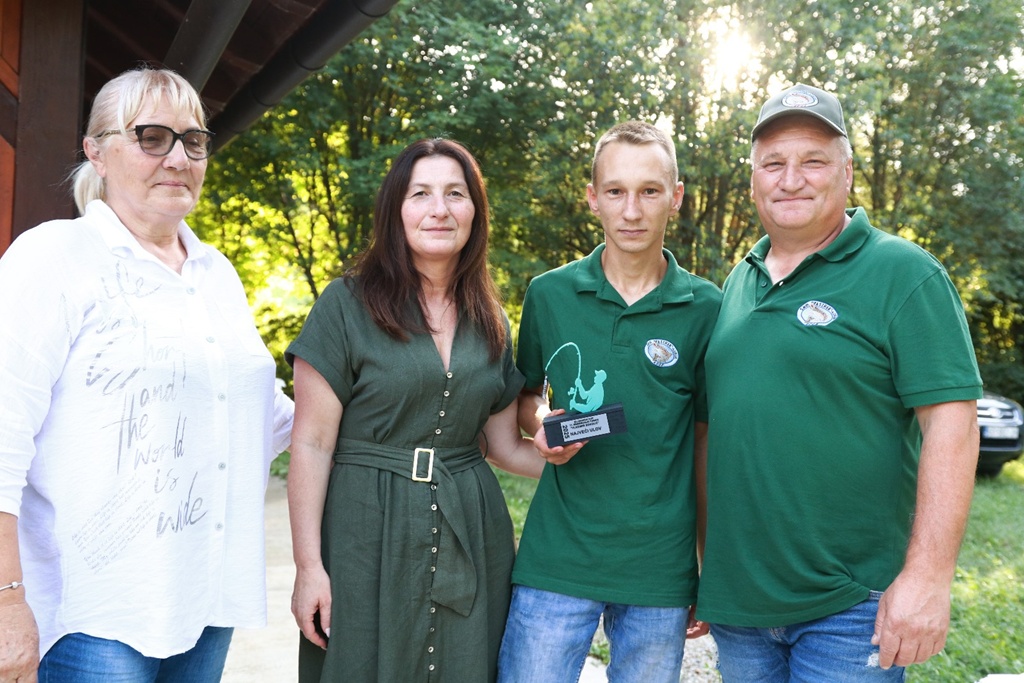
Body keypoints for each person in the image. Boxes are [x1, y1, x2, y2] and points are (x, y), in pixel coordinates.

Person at [0, 66, 294, 682]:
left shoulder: (216, 274)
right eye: (151, 137)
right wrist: (5, 601)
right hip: (92, 615)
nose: (178, 158)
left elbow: (260, 416)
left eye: (193, 140)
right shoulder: (56, 256)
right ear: (96, 152)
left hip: (204, 603)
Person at [696, 83, 983, 681]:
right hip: (741, 604)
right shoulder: (738, 283)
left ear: (847, 172)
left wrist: (928, 578)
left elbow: (952, 427)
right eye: (773, 163)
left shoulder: (903, 273)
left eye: (813, 161)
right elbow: (712, 432)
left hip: (852, 605)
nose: (791, 179)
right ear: (753, 180)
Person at [286, 137, 544, 682]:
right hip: (363, 530)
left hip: (471, 529)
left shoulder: (492, 319)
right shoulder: (345, 304)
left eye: (455, 193)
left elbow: (504, 447)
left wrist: (573, 452)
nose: (439, 209)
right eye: (420, 193)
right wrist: (309, 566)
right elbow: (311, 443)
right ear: (395, 210)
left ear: (475, 210)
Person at [498, 120, 722, 683]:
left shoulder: (706, 308)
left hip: (659, 569)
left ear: (676, 197)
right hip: (557, 559)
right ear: (592, 198)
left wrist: (706, 567)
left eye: (650, 191)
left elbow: (703, 443)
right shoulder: (549, 293)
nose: (632, 211)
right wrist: (542, 422)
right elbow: (528, 395)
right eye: (616, 191)